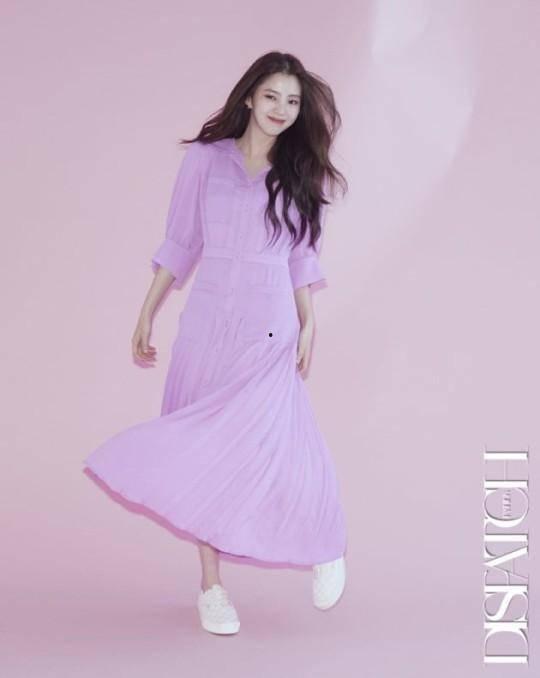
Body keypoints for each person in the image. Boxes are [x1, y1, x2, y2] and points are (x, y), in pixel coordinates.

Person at [83, 51, 348, 636]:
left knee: (281, 441)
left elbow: (302, 258)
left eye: (293, 101)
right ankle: (211, 587)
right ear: (250, 97)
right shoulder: (205, 161)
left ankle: (324, 542)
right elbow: (181, 241)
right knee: (200, 451)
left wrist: (308, 323)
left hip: (269, 322)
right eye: (272, 96)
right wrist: (146, 311)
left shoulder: (301, 174)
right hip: (205, 324)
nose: (282, 109)